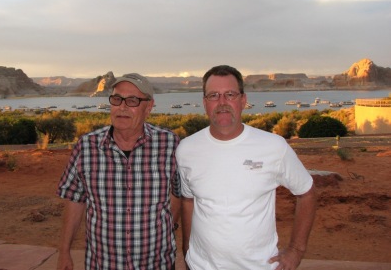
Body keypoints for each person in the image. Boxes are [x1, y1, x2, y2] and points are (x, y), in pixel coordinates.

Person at [176, 65, 316, 270]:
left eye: (230, 94)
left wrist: (296, 251)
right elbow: (188, 201)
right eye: (214, 95)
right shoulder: (186, 149)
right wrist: (187, 252)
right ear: (205, 103)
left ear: (243, 100)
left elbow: (307, 193)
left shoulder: (273, 146)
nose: (222, 102)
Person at [56, 73, 181, 270]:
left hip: (156, 264)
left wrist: (169, 225)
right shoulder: (87, 146)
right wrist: (64, 252)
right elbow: (75, 200)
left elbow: (179, 192)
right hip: (103, 264)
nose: (122, 107)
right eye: (117, 99)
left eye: (132, 100)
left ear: (148, 107)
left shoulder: (169, 144)